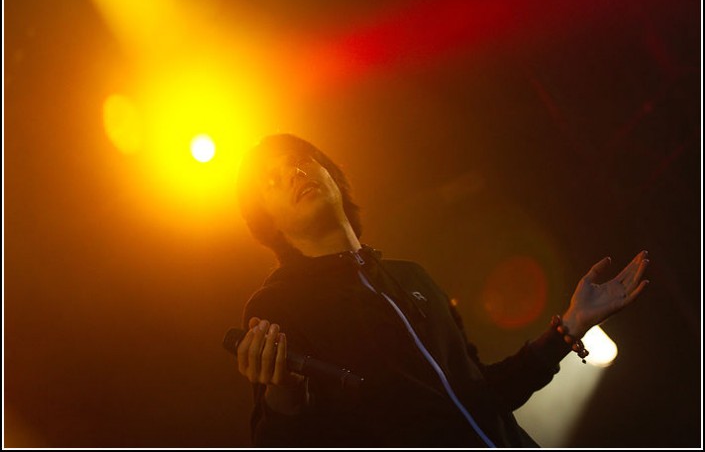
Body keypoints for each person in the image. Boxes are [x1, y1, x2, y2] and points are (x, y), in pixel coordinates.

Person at [233, 133, 650, 447]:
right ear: (267, 222)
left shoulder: (412, 277)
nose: (295, 173)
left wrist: (571, 326)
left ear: (333, 177)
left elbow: (482, 395)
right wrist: (282, 396)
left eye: (302, 161)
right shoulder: (278, 304)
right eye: (271, 180)